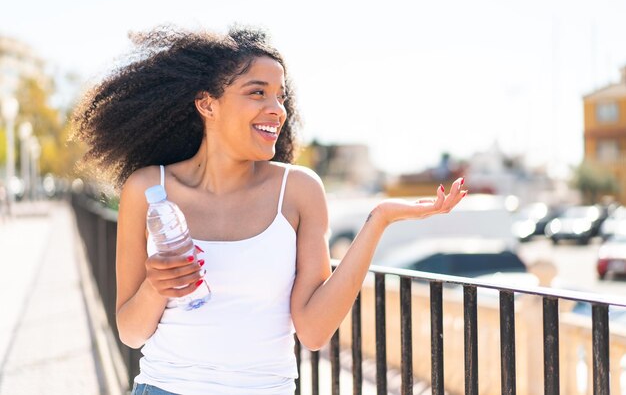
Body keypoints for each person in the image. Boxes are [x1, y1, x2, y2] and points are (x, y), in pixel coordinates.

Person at [72, 25, 467, 395]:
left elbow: (313, 332)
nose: (277, 108)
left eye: (280, 95)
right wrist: (157, 286)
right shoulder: (148, 189)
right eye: (257, 92)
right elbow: (131, 332)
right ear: (207, 105)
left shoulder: (298, 191)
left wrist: (379, 220)